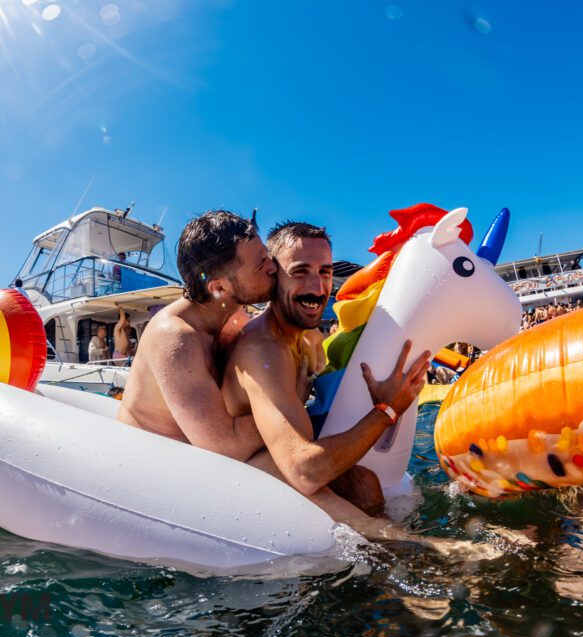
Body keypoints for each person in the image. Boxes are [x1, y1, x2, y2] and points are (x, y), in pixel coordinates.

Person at [221, 221, 431, 533]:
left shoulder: (301, 338)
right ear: (273, 276)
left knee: (364, 484)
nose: (318, 288)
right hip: (251, 482)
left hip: (283, 460)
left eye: (325, 272)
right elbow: (304, 470)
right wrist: (386, 409)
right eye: (301, 271)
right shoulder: (263, 350)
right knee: (374, 503)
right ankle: (427, 553)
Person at [117, 210, 277, 459]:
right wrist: (292, 401)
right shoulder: (175, 338)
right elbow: (226, 445)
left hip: (196, 457)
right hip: (151, 463)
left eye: (268, 257)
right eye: (261, 265)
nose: (273, 268)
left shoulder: (231, 320)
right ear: (220, 287)